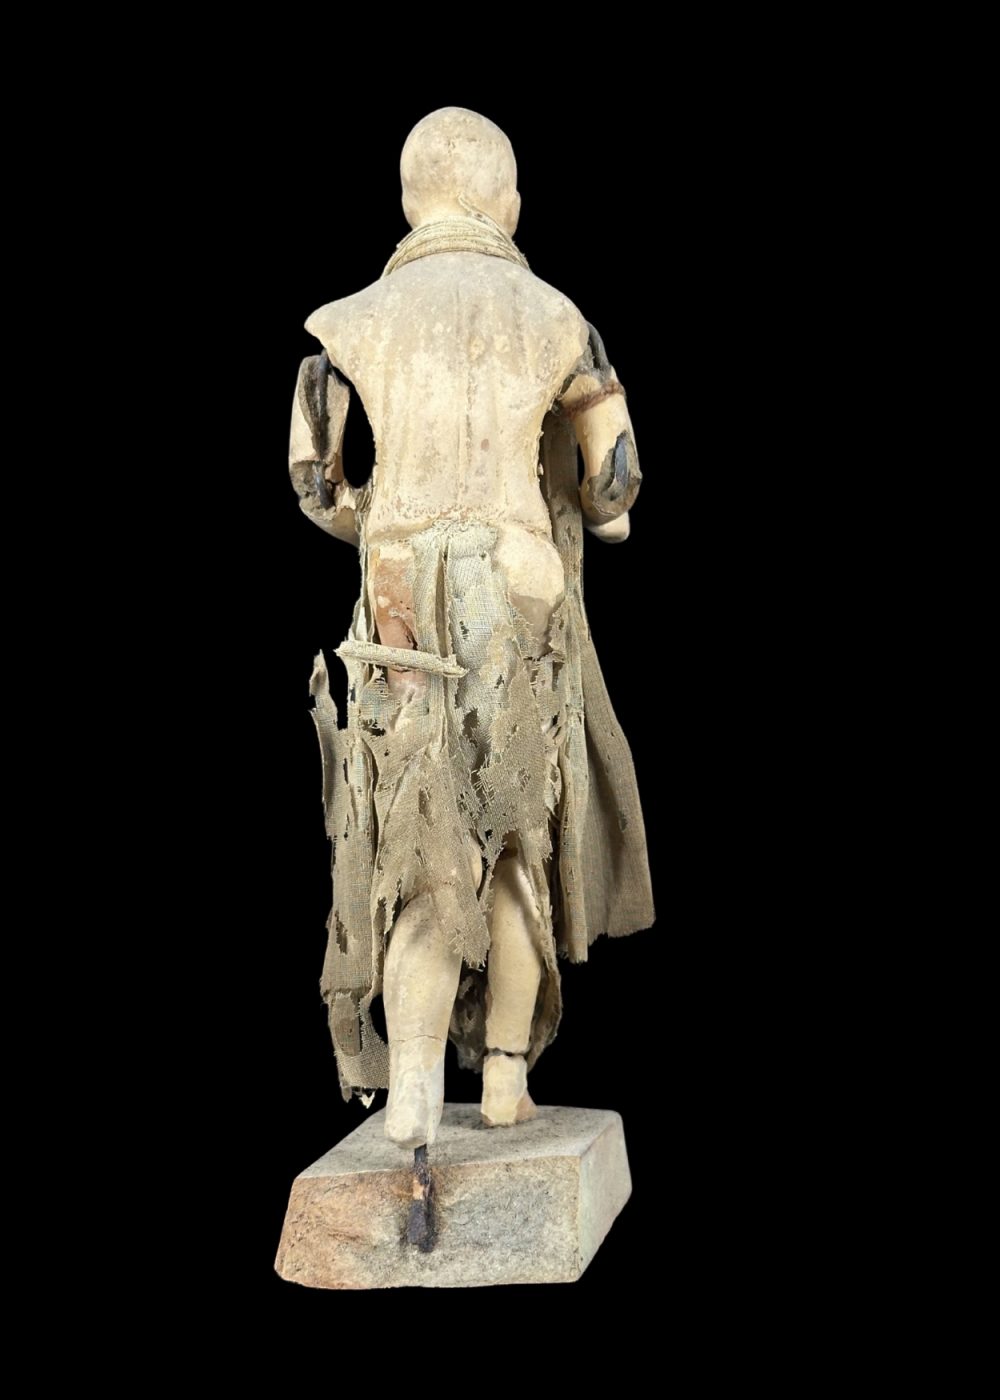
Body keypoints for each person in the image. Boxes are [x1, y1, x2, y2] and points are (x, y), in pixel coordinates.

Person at [289, 107, 653, 1151]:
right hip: (519, 589)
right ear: (510, 206)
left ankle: (411, 1086)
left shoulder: (348, 323)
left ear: (411, 202)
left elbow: (314, 481)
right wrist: (593, 516)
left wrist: (382, 522)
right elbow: (614, 479)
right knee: (515, 834)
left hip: (399, 590)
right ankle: (501, 1079)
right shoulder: (559, 318)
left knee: (415, 833)